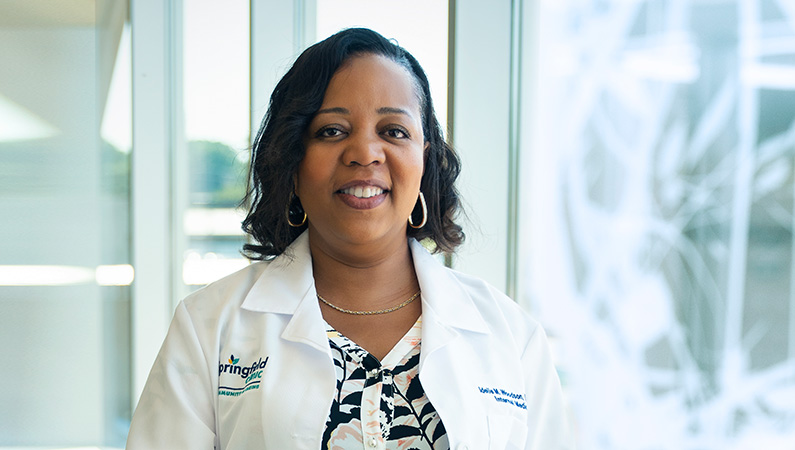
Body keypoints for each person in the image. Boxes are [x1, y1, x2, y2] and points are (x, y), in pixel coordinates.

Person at [126, 28, 574, 450]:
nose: (364, 153)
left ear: (425, 160)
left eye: (393, 131)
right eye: (332, 131)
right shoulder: (208, 326)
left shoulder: (511, 336)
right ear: (294, 161)